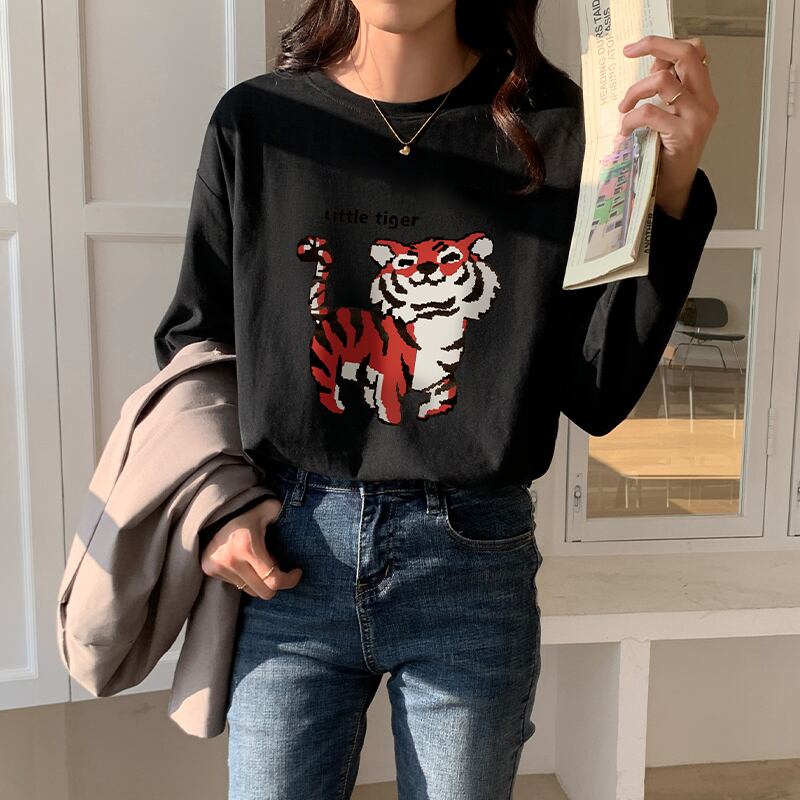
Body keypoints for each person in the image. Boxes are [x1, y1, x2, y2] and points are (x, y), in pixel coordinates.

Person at [153, 1, 718, 797]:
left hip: (470, 559)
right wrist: (217, 506)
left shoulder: (565, 132)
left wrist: (674, 188)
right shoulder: (260, 122)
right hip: (286, 551)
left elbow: (596, 389)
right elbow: (197, 341)